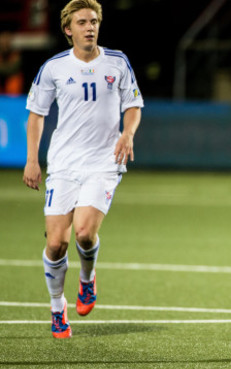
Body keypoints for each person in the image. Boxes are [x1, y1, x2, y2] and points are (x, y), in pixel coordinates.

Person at [22, 0, 143, 338]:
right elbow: (36, 115)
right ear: (67, 30)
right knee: (57, 243)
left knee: (85, 233)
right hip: (63, 164)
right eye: (82, 22)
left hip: (104, 162)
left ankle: (87, 280)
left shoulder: (117, 62)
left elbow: (133, 105)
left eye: (93, 21)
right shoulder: (54, 68)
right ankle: (57, 308)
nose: (90, 27)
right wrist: (33, 160)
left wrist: (127, 133)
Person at [0, 30, 23, 95]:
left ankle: (13, 100)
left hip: (10, 81)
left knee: (15, 79)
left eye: (7, 38)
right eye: (3, 38)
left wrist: (3, 66)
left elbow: (14, 69)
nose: (4, 41)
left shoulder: (15, 52)